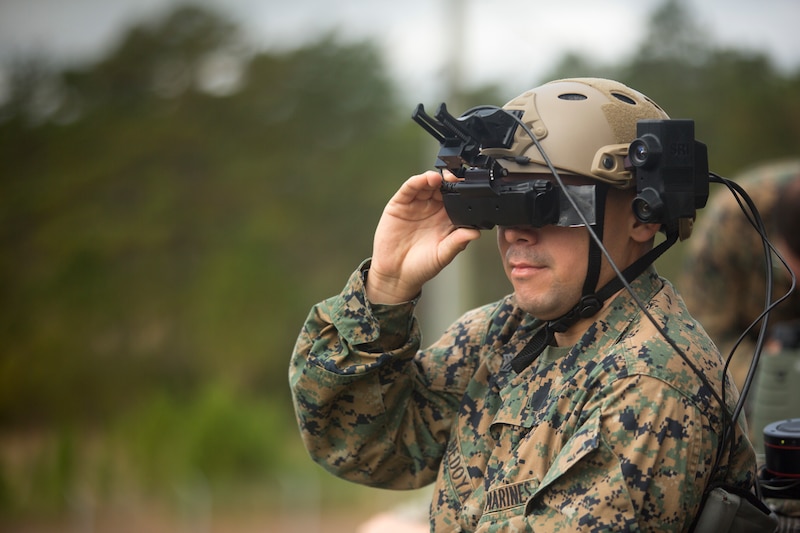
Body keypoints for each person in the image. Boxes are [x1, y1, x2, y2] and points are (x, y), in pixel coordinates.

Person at [289, 78, 756, 531]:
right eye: (502, 202)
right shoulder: (508, 332)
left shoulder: (651, 380)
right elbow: (361, 446)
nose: (516, 231)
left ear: (641, 217)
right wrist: (386, 288)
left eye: (545, 202)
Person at [680, 159, 800, 451]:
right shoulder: (732, 223)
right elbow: (703, 343)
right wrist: (769, 369)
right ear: (781, 247)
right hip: (752, 351)